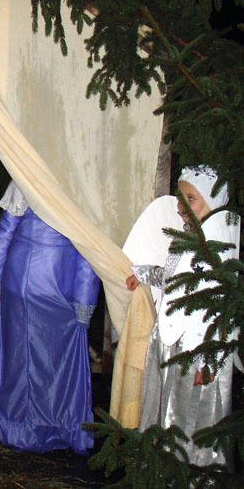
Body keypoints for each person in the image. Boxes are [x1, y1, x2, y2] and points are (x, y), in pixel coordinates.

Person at [0, 181, 100, 454]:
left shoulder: (71, 184)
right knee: (34, 360)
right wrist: (84, 300)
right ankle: (30, 426)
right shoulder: (34, 178)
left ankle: (36, 426)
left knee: (39, 360)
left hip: (48, 286)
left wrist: (83, 303)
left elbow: (5, 233)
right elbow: (88, 252)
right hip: (33, 285)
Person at [126, 165, 240, 467]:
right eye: (180, 197)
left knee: (190, 412)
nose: (181, 206)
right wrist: (142, 274)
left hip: (197, 347)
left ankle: (193, 471)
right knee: (166, 406)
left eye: (191, 199)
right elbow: (172, 276)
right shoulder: (187, 236)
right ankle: (162, 467)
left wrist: (209, 358)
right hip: (169, 339)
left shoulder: (217, 246)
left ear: (211, 202)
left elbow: (220, 307)